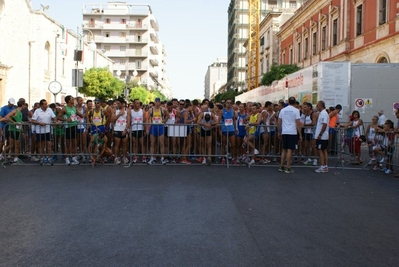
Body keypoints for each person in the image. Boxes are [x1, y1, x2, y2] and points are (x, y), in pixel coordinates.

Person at [277, 96, 302, 174]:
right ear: (295, 102)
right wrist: (300, 134)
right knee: (290, 150)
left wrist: (279, 132)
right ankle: (288, 167)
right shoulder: (296, 111)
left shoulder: (283, 110)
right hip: (292, 132)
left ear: (288, 103)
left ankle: (281, 166)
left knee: (284, 149)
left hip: (284, 132)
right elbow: (298, 123)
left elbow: (278, 122)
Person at [57, 95, 84, 165]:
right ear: (68, 101)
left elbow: (80, 115)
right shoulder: (64, 108)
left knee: (74, 143)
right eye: (72, 99)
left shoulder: (74, 108)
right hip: (68, 127)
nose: (73, 100)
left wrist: (82, 115)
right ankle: (66, 158)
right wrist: (66, 119)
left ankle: (74, 157)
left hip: (74, 126)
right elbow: (58, 117)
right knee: (68, 144)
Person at [31, 99, 57, 165]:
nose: (46, 105)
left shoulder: (49, 110)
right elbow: (33, 120)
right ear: (41, 105)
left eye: (46, 104)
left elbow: (54, 117)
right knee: (41, 145)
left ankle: (49, 158)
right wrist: (39, 123)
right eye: (45, 104)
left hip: (48, 130)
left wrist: (55, 121)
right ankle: (42, 158)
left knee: (49, 144)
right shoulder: (37, 111)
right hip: (39, 131)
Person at [146, 97, 169, 165]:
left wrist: (164, 121)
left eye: (158, 101)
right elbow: (147, 119)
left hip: (160, 126)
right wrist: (147, 128)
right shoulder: (151, 109)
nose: (157, 102)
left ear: (160, 102)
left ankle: (162, 158)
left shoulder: (162, 109)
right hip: (153, 126)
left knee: (161, 143)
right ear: (154, 102)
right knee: (152, 143)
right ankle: (152, 157)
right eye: (156, 101)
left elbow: (168, 115)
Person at [112, 98, 130, 164]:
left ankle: (124, 157)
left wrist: (126, 130)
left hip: (124, 129)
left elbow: (128, 121)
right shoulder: (114, 110)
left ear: (122, 104)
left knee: (125, 144)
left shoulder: (127, 110)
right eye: (116, 103)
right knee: (117, 144)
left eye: (119, 103)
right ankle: (116, 157)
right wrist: (119, 114)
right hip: (117, 129)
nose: (117, 105)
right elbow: (112, 119)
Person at [314, 101, 330, 173]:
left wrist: (320, 134)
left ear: (320, 105)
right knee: (324, 150)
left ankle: (323, 166)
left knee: (320, 150)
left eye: (317, 105)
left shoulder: (324, 114)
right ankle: (325, 166)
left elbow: (324, 124)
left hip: (322, 136)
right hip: (323, 136)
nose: (316, 107)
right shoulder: (322, 113)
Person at [130, 98, 145, 163]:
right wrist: (129, 130)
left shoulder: (142, 111)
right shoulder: (131, 111)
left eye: (138, 103)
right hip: (133, 129)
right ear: (133, 104)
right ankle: (135, 156)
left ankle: (144, 156)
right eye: (136, 103)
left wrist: (146, 129)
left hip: (140, 129)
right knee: (134, 144)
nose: (137, 104)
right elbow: (129, 121)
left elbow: (145, 120)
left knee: (142, 143)